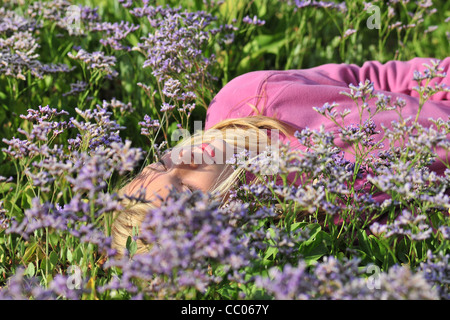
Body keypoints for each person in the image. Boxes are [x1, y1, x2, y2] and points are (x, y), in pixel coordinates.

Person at [111, 57, 450, 256]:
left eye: (162, 162)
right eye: (185, 189)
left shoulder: (250, 98)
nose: (183, 159)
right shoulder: (307, 230)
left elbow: (372, 79)